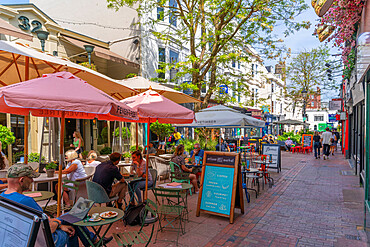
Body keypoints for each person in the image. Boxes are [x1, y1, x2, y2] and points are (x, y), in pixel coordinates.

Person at [0, 163, 112, 246]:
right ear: (21, 180)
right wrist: (59, 223)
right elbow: (48, 228)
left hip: (20, 240)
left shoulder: (3, 198)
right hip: (46, 241)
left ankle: (93, 239)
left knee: (71, 218)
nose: (33, 181)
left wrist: (59, 224)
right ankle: (93, 240)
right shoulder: (25, 201)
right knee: (74, 220)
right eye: (31, 178)